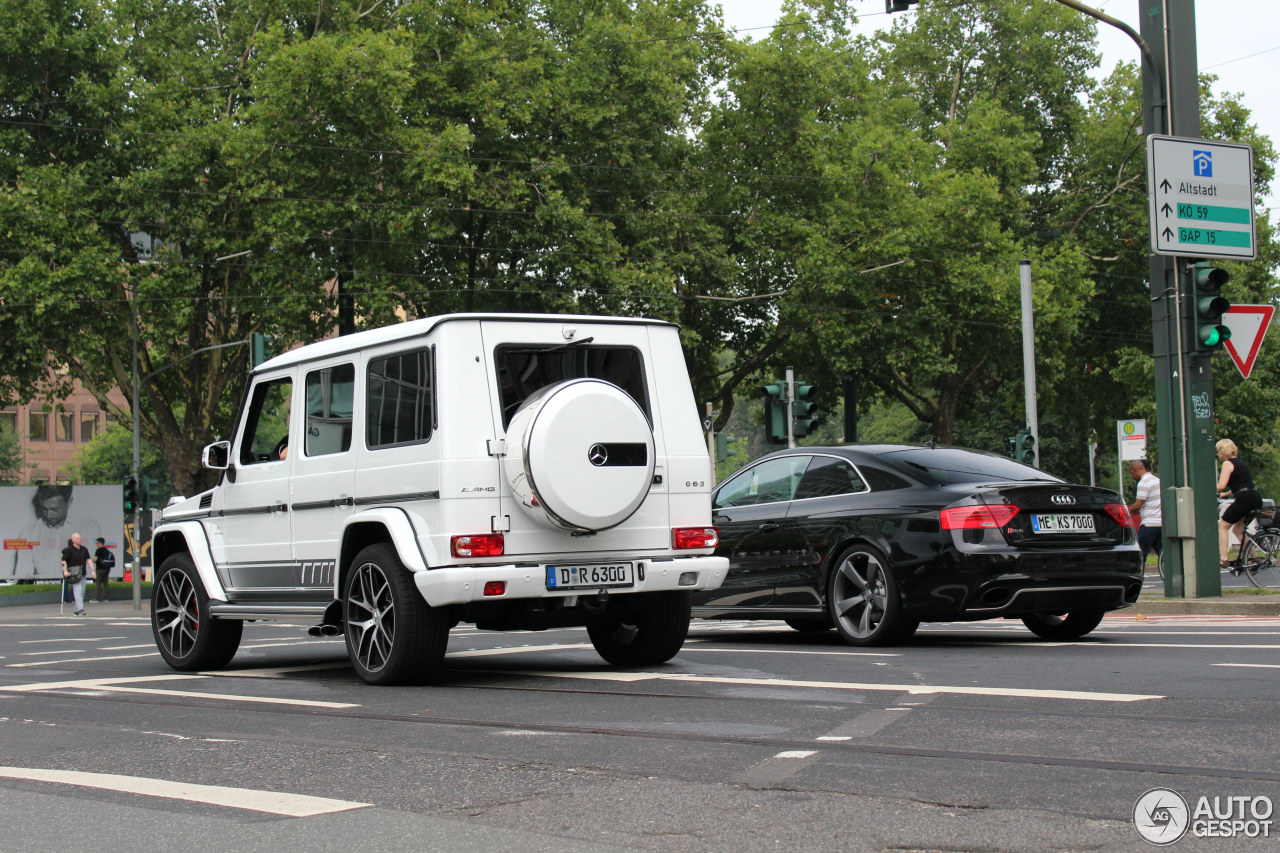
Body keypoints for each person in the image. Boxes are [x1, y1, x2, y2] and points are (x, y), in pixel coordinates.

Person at [11, 485, 102, 581]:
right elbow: (23, 575)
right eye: (44, 509)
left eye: (54, 510)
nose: (48, 515)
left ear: (69, 503)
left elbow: (89, 571)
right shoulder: (28, 533)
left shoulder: (88, 528)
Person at [1216, 438, 1263, 567]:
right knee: (1238, 529)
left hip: (1245, 499)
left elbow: (1221, 485)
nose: (1217, 453)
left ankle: (1223, 558)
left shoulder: (1227, 464)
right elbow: (1241, 484)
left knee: (1223, 525)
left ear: (1223, 450)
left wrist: (1208, 487)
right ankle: (1253, 557)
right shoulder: (1240, 463)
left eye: (1218, 450)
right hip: (1255, 498)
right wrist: (1226, 494)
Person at [1127, 459, 1162, 572]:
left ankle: (1137, 574)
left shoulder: (1143, 483)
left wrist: (1127, 512)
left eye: (1131, 473)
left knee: (1140, 553)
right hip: (1160, 524)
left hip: (1149, 524)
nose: (1132, 476)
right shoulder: (1157, 480)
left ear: (1135, 470)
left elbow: (1138, 505)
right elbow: (1151, 502)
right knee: (1162, 552)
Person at [61, 533, 92, 616]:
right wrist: (65, 571)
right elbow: (63, 561)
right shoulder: (68, 550)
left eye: (80, 538)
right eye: (78, 538)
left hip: (82, 573)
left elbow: (88, 560)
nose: (80, 540)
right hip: (74, 574)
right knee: (77, 590)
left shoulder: (84, 549)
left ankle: (76, 610)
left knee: (82, 592)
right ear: (73, 540)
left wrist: (92, 570)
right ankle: (80, 609)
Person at [92, 536, 115, 602]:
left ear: (100, 543)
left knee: (98, 583)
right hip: (107, 568)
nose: (96, 544)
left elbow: (95, 559)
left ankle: (96, 598)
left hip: (100, 569)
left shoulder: (98, 550)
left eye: (97, 543)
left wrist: (92, 560)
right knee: (105, 583)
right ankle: (106, 598)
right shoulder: (106, 550)